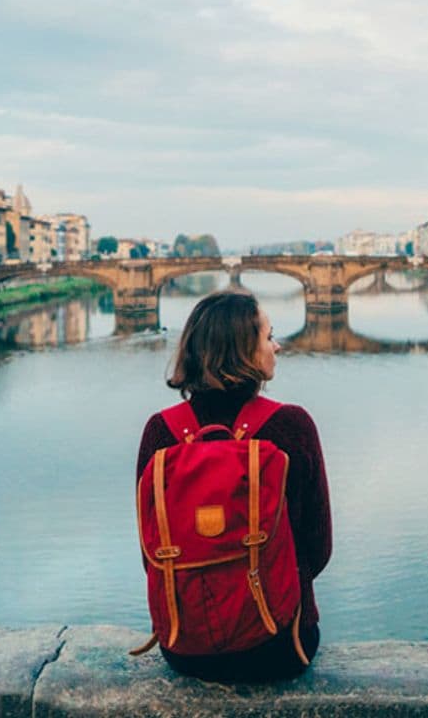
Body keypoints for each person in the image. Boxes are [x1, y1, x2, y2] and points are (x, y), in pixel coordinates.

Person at [136, 289, 332, 682]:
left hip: (185, 647)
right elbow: (318, 548)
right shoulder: (292, 426)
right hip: (281, 646)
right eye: (268, 337)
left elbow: (150, 555)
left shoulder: (161, 432)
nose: (277, 346)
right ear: (244, 352)